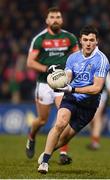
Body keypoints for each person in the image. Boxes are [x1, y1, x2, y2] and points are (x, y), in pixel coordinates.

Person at [37, 25, 110, 174]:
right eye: (85, 40)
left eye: (91, 40)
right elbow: (68, 76)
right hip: (71, 98)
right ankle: (45, 162)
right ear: (80, 41)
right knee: (60, 123)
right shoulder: (73, 57)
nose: (88, 43)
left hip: (88, 105)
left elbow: (97, 88)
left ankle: (47, 152)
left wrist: (72, 88)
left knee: (64, 139)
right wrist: (59, 79)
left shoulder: (102, 60)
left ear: (97, 42)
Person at [25, 6, 79, 165]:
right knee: (42, 120)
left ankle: (63, 152)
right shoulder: (40, 39)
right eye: (52, 17)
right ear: (47, 20)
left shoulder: (70, 38)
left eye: (58, 17)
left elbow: (77, 57)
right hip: (44, 83)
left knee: (63, 118)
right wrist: (47, 69)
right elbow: (30, 62)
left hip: (62, 83)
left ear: (62, 20)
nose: (55, 19)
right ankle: (31, 136)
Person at [87, 72, 110, 150]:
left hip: (101, 94)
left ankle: (95, 142)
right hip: (88, 93)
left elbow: (108, 79)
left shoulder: (103, 64)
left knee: (96, 116)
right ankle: (93, 140)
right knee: (91, 117)